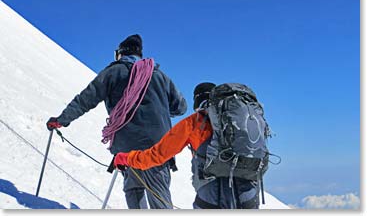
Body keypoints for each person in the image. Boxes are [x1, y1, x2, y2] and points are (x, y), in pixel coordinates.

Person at [46, 34, 187, 209]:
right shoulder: (158, 76)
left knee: (134, 193)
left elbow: (85, 99)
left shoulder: (113, 72)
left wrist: (61, 120)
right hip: (158, 147)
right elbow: (180, 107)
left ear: (120, 53)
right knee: (159, 197)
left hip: (126, 148)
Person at [114, 82, 260, 209]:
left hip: (211, 196)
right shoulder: (242, 120)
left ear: (197, 101)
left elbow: (156, 156)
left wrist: (126, 158)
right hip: (248, 193)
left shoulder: (194, 122)